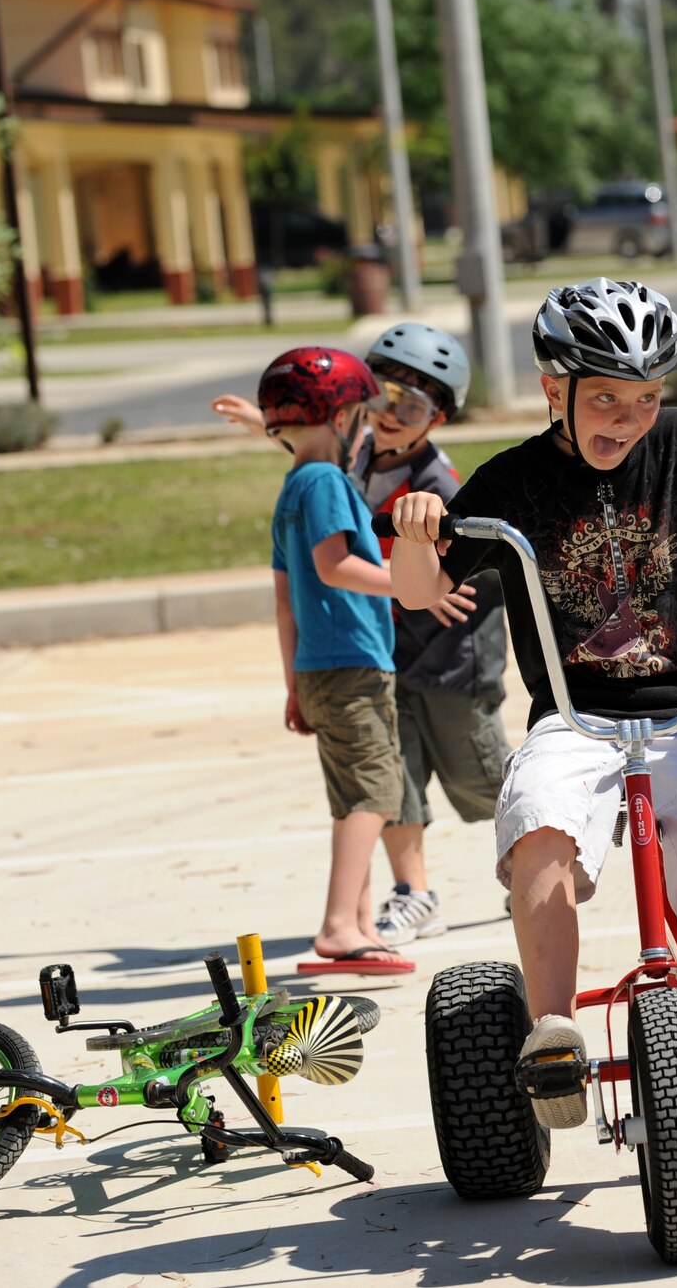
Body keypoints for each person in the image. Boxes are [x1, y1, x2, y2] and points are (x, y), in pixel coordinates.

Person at [387, 278, 677, 1177]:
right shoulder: (514, 481)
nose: (628, 418)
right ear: (552, 388)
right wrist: (416, 528)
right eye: (604, 398)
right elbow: (415, 588)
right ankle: (554, 1032)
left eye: (644, 399)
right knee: (539, 822)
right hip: (577, 717)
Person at [215, 324, 512, 948]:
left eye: (416, 405)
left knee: (475, 775)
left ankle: (541, 847)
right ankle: (414, 893)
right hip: (381, 647)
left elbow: (466, 563)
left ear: (438, 418)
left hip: (452, 651)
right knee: (393, 776)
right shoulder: (352, 456)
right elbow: (315, 465)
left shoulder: (439, 484)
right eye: (387, 398)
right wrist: (266, 422)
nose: (395, 415)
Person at [259, 345, 413, 975]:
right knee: (378, 792)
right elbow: (332, 566)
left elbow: (285, 601)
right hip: (351, 664)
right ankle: (337, 927)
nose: (363, 427)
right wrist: (407, 584)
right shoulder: (324, 481)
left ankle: (360, 922)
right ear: (334, 417)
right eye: (357, 412)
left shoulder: (292, 488)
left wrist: (294, 684)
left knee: (355, 798)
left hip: (320, 670)